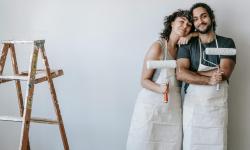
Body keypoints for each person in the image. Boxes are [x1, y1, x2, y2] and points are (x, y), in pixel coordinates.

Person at [126, 10, 194, 150]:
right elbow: (144, 80)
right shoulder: (158, 47)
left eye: (189, 25)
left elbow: (203, 35)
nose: (185, 26)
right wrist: (160, 88)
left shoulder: (184, 49)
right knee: (145, 143)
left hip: (173, 109)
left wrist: (193, 34)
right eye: (181, 21)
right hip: (151, 107)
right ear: (171, 23)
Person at [176, 3, 236, 150]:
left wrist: (193, 72)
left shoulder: (227, 43)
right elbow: (181, 73)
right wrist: (209, 78)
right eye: (195, 19)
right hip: (193, 109)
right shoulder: (187, 44)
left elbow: (224, 73)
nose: (200, 21)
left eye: (203, 16)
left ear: (211, 17)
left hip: (217, 110)